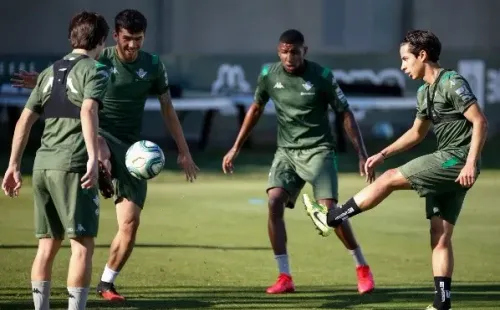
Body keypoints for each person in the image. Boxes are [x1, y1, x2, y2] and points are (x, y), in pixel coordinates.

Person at [11, 9, 199, 301]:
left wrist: (184, 151)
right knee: (98, 142)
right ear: (115, 36)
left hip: (132, 149)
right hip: (98, 134)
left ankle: (107, 283)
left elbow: (167, 108)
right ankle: (102, 168)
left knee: (130, 224)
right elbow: (71, 78)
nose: (133, 45)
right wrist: (41, 80)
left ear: (144, 37)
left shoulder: (152, 65)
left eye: (138, 39)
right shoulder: (100, 59)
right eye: (127, 39)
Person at [304, 30, 488, 310]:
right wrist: (382, 153)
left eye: (405, 59)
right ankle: (442, 303)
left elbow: (480, 121)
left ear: (422, 55)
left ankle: (332, 217)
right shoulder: (424, 91)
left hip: (456, 160)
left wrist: (471, 162)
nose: (402, 66)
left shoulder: (452, 82)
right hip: (452, 164)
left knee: (390, 178)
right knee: (439, 236)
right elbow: (416, 133)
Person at [222, 29, 376, 295]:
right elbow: (256, 108)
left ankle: (362, 268)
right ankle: (285, 277)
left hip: (319, 150)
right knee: (273, 201)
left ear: (305, 51)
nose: (289, 57)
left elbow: (345, 112)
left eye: (294, 51)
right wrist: (236, 147)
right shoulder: (269, 75)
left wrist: (361, 153)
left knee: (331, 213)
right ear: (278, 51)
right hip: (286, 153)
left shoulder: (322, 76)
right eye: (284, 51)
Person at [2, 11, 110, 310]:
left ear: (71, 38)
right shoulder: (96, 70)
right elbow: (89, 110)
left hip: (42, 166)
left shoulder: (49, 72)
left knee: (47, 246)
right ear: (102, 41)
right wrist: (92, 157)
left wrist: (12, 164)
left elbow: (25, 119)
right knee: (82, 247)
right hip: (72, 165)